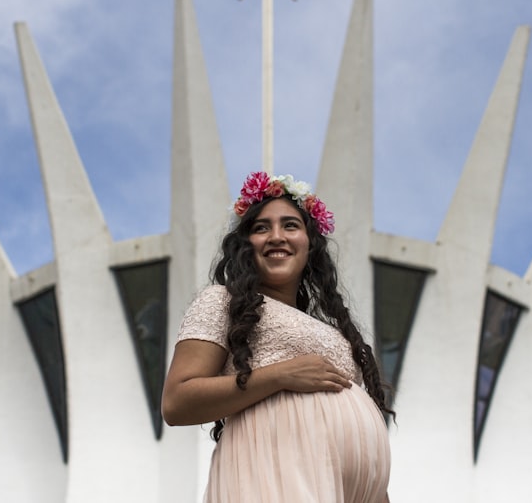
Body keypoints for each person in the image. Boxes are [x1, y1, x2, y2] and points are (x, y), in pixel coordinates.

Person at [162, 171, 394, 503]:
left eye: (290, 225)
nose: (276, 236)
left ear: (309, 243)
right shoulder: (222, 301)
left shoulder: (338, 334)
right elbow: (176, 402)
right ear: (245, 246)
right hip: (268, 479)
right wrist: (281, 376)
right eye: (261, 228)